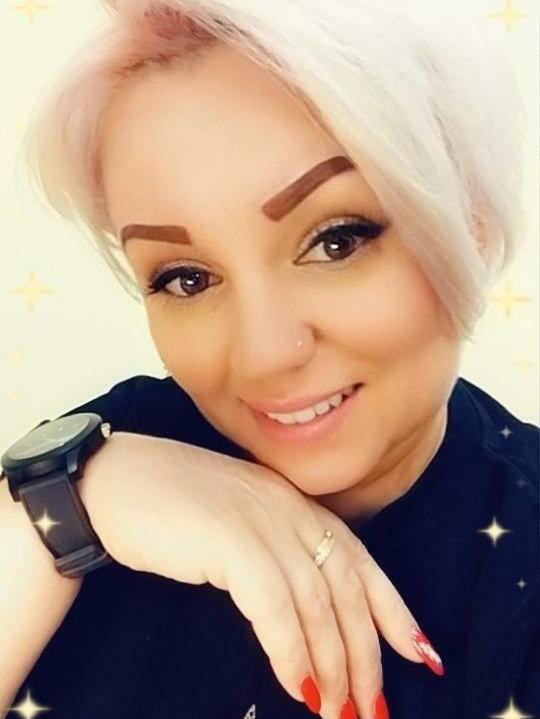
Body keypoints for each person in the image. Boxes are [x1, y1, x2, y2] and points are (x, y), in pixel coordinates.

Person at [2, 1, 538, 718]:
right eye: (186, 278)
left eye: (336, 240)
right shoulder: (103, 451)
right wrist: (55, 517)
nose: (263, 356)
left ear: (468, 226)